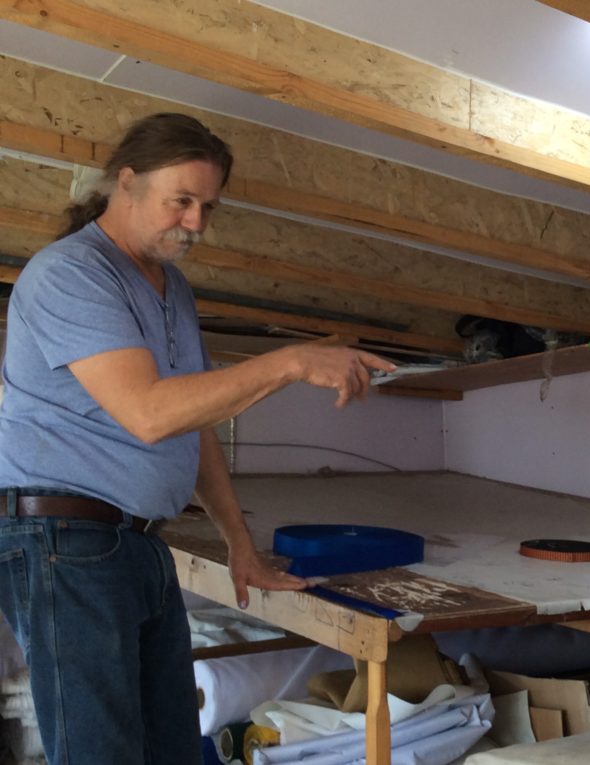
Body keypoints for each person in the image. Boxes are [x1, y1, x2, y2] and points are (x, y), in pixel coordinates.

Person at [0, 113, 395, 765]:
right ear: (125, 184)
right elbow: (150, 412)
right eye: (180, 201)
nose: (195, 222)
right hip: (62, 546)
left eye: (207, 206)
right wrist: (291, 362)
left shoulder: (171, 288)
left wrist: (240, 544)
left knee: (172, 749)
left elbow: (192, 422)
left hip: (138, 542)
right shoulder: (70, 274)